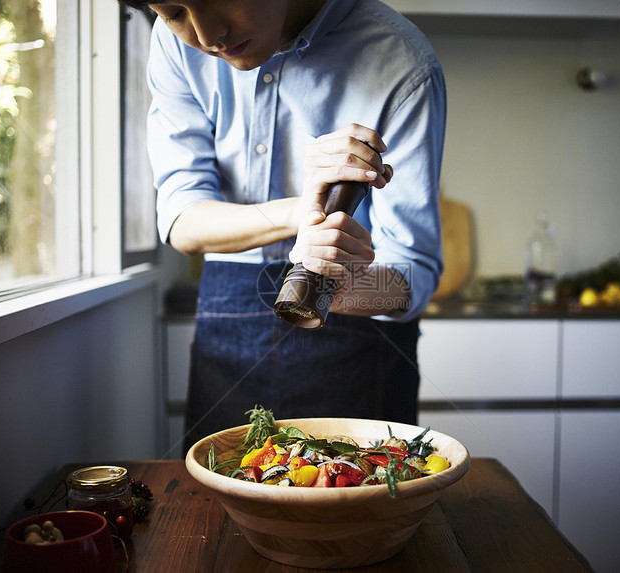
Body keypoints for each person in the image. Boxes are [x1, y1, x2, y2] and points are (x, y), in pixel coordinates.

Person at [120, 0, 446, 449]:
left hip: (358, 348)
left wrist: (340, 288)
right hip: (226, 334)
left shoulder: (401, 61)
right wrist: (301, 213)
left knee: (359, 511)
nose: (206, 35)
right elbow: (182, 219)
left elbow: (415, 276)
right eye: (174, 11)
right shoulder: (175, 47)